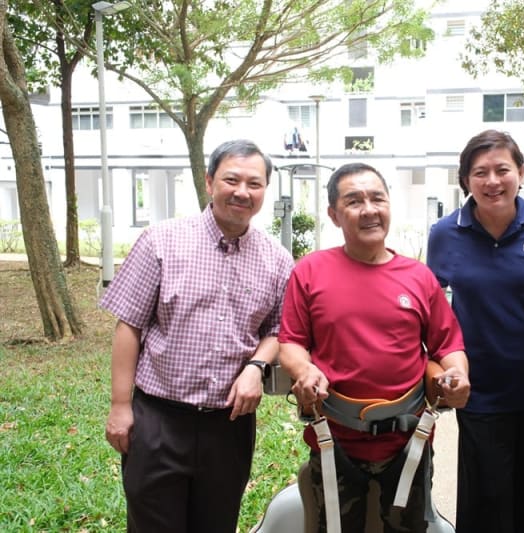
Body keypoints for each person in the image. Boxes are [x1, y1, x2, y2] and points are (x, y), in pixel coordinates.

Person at [101, 139, 295, 532]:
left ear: (264, 191)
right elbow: (129, 325)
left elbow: (276, 330)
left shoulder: (276, 258)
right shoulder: (161, 241)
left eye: (254, 184)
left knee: (216, 523)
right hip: (158, 418)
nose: (242, 192)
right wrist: (121, 406)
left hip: (229, 425)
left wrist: (256, 367)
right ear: (209, 182)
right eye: (232, 180)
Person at [278, 162, 470, 533]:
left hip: (408, 443)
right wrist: (304, 370)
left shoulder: (419, 277)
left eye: (377, 198)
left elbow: (448, 346)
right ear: (334, 215)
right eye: (354, 201)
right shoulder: (310, 271)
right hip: (333, 442)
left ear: (389, 205)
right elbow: (292, 342)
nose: (369, 209)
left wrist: (458, 375)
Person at [426, 129, 524, 533]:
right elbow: (432, 302)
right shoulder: (445, 233)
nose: (493, 181)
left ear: (521, 172)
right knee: (485, 503)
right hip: (480, 392)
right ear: (465, 181)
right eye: (480, 172)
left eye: (502, 170)